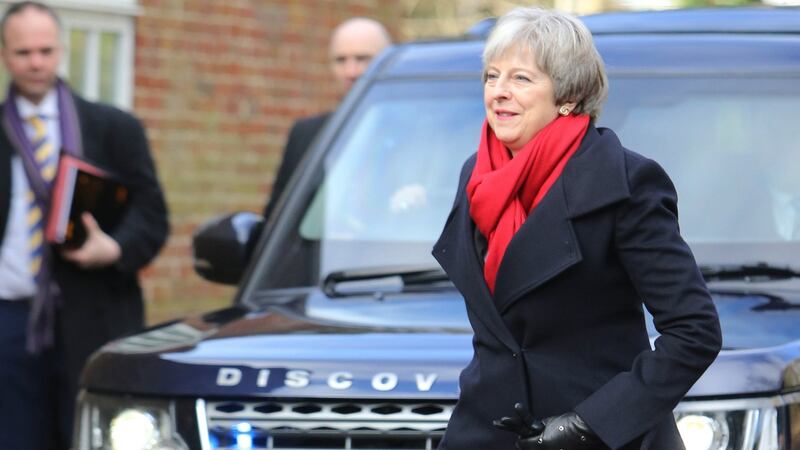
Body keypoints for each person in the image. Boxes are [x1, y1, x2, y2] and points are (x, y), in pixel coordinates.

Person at [431, 7, 721, 450]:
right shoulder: (477, 176)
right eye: (492, 76)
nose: (499, 93)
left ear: (567, 96)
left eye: (521, 79)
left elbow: (694, 332)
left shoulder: (624, 181)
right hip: (485, 434)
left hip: (601, 438)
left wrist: (587, 424)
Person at [0, 2, 169, 449]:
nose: (36, 62)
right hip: (9, 320)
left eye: (45, 50)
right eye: (23, 53)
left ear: (61, 50)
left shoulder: (114, 128)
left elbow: (153, 215)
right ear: (4, 55)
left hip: (93, 313)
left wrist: (112, 249)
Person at [262, 17, 391, 219]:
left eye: (363, 59)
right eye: (341, 60)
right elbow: (279, 215)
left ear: (387, 62)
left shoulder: (414, 131)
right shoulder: (306, 135)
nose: (351, 71)